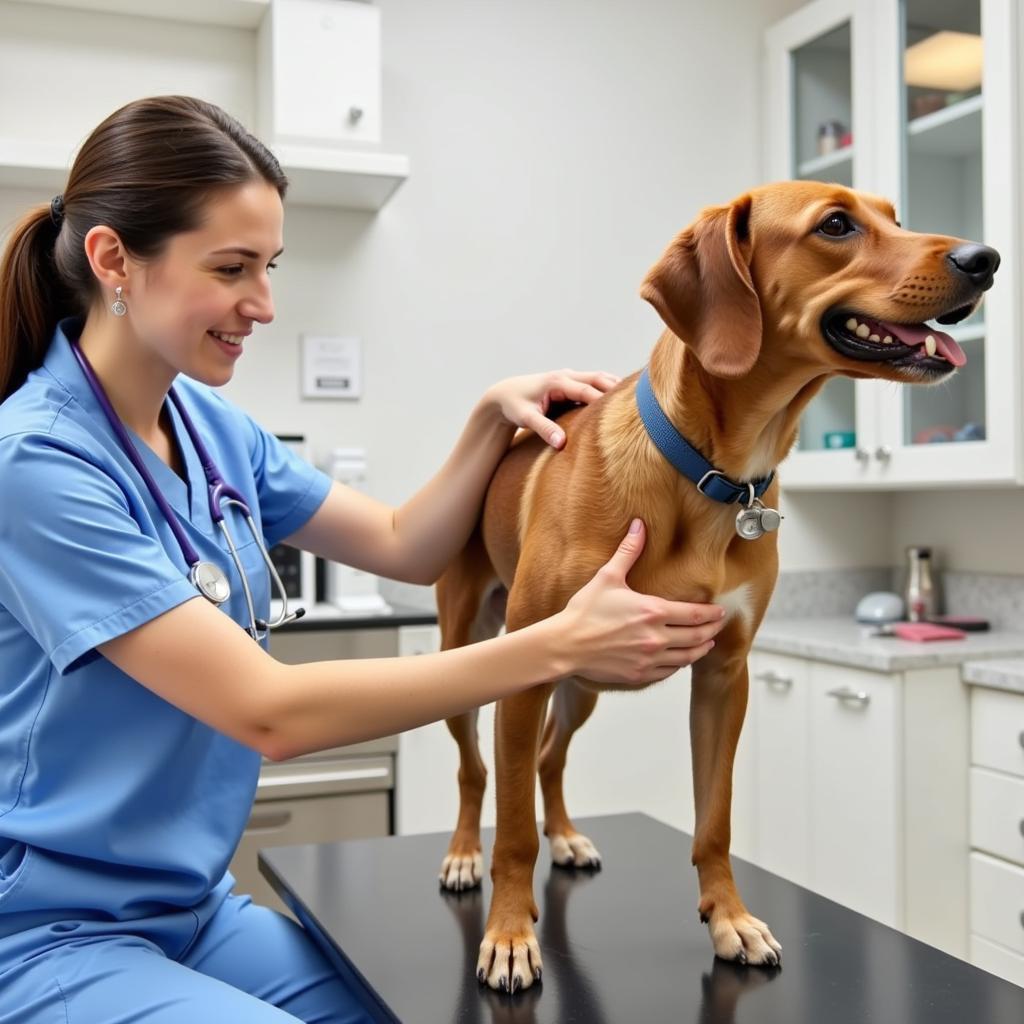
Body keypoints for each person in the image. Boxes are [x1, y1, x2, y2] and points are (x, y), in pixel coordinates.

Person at [0, 96, 725, 1023]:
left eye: (269, 267)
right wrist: (558, 646)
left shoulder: (207, 425)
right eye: (232, 270)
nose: (262, 305)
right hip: (48, 933)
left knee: (405, 1003)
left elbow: (402, 547)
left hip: (188, 909)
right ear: (113, 261)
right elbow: (270, 712)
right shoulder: (39, 463)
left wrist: (485, 421)